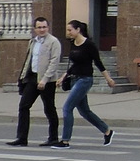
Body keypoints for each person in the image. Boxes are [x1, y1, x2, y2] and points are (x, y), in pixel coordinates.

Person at [56, 19, 113, 147]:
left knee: (67, 108)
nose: (68, 32)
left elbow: (98, 63)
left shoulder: (89, 45)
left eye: (70, 30)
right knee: (84, 111)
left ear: (78, 30)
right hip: (74, 78)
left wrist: (108, 79)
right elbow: (74, 64)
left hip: (85, 80)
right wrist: (63, 76)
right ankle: (107, 131)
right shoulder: (73, 43)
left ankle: (65, 141)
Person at [9, 16, 63, 146]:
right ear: (35, 29)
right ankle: (22, 138)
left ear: (48, 27)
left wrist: (44, 80)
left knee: (49, 108)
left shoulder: (53, 42)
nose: (42, 29)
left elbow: (54, 62)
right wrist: (23, 76)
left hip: (48, 81)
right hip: (32, 78)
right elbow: (29, 59)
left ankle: (53, 138)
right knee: (24, 106)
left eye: (44, 27)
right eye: (39, 27)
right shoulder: (33, 41)